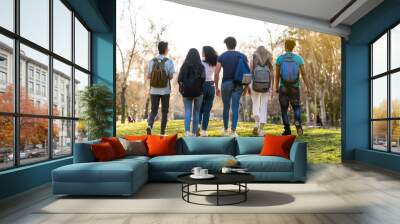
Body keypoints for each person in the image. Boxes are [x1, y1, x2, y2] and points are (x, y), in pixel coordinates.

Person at [275, 39, 310, 136]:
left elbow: (277, 75)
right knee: (296, 107)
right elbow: (304, 74)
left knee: (284, 110)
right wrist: (307, 86)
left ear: (285, 47)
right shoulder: (298, 58)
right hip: (295, 87)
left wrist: (276, 87)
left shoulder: (280, 59)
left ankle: (287, 130)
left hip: (283, 87)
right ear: (293, 47)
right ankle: (298, 125)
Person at [215, 37, 248, 137]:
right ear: (235, 44)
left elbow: (216, 73)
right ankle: (233, 131)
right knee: (235, 108)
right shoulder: (242, 56)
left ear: (226, 45)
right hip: (238, 84)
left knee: (226, 107)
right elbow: (247, 73)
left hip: (226, 83)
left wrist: (216, 87)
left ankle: (225, 130)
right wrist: (246, 87)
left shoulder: (222, 56)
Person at [146, 41, 175, 135]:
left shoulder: (152, 61)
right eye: (168, 48)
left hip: (154, 90)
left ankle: (150, 125)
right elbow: (171, 77)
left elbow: (148, 76)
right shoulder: (169, 61)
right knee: (165, 111)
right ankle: (162, 131)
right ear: (165, 50)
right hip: (165, 90)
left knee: (153, 110)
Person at [178, 48, 205, 136]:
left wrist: (183, 86)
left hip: (186, 92)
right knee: (196, 112)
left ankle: (187, 132)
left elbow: (179, 79)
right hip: (198, 92)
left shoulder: (184, 66)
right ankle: (194, 133)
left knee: (188, 111)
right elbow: (203, 79)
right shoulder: (201, 66)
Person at [248, 46, 274, 136]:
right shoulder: (270, 58)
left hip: (254, 84)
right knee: (264, 106)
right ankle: (261, 130)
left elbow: (250, 72)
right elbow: (272, 74)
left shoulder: (253, 58)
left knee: (255, 104)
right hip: (267, 85)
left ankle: (256, 123)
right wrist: (273, 88)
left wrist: (248, 86)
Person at [199, 46, 218, 137]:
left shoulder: (200, 62)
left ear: (205, 53)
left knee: (199, 108)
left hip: (202, 85)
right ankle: (204, 131)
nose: (201, 52)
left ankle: (198, 126)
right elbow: (216, 75)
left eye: (202, 51)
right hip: (211, 86)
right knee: (207, 110)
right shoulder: (214, 62)